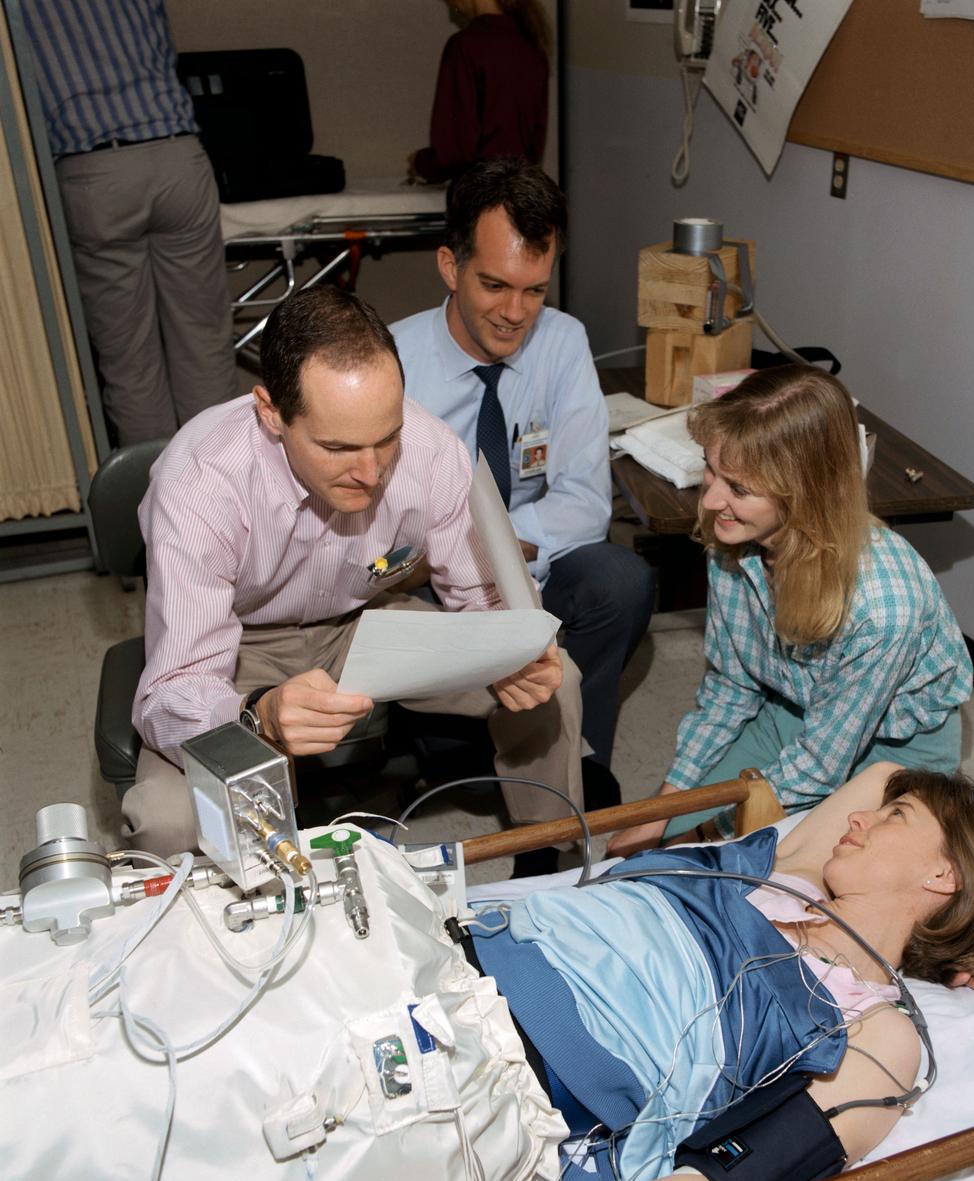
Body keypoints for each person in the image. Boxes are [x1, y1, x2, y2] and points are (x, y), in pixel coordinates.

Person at [355, 762, 974, 1181]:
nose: (861, 819)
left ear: (945, 876)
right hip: (445, 949)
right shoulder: (784, 871)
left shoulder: (880, 1032)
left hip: (512, 1063)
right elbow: (886, 774)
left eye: (897, 817)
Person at [122, 285, 582, 855]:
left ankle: (553, 863)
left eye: (386, 438)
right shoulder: (199, 483)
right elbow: (173, 687)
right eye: (338, 447)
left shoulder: (431, 452)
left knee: (553, 683)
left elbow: (488, 600)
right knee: (170, 820)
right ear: (271, 412)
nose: (370, 471)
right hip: (236, 648)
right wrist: (256, 716)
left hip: (362, 623)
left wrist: (516, 648)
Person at [609, 365, 973, 856]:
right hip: (787, 710)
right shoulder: (735, 539)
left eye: (738, 488)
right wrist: (659, 812)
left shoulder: (884, 609)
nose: (712, 499)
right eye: (710, 469)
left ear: (806, 493)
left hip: (892, 749)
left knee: (755, 871)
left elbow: (822, 762)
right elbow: (730, 690)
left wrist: (705, 833)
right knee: (652, 845)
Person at [391, 159, 656, 776]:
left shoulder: (561, 342)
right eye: (495, 285)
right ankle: (465, 742)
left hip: (529, 554)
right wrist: (444, 557)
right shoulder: (391, 360)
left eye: (534, 290)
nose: (516, 312)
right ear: (450, 267)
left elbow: (586, 502)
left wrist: (493, 547)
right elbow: (374, 542)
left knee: (621, 579)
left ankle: (575, 773)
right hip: (420, 572)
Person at [22, 0, 237, 446]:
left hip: (91, 169)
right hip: (176, 154)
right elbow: (165, 51)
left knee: (130, 362)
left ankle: (159, 500)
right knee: (204, 341)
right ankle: (226, 492)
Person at [408, 0, 551, 185]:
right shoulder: (533, 47)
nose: (451, 5)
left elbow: (454, 153)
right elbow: (535, 141)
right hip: (521, 195)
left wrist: (420, 163)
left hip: (478, 196)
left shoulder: (465, 46)